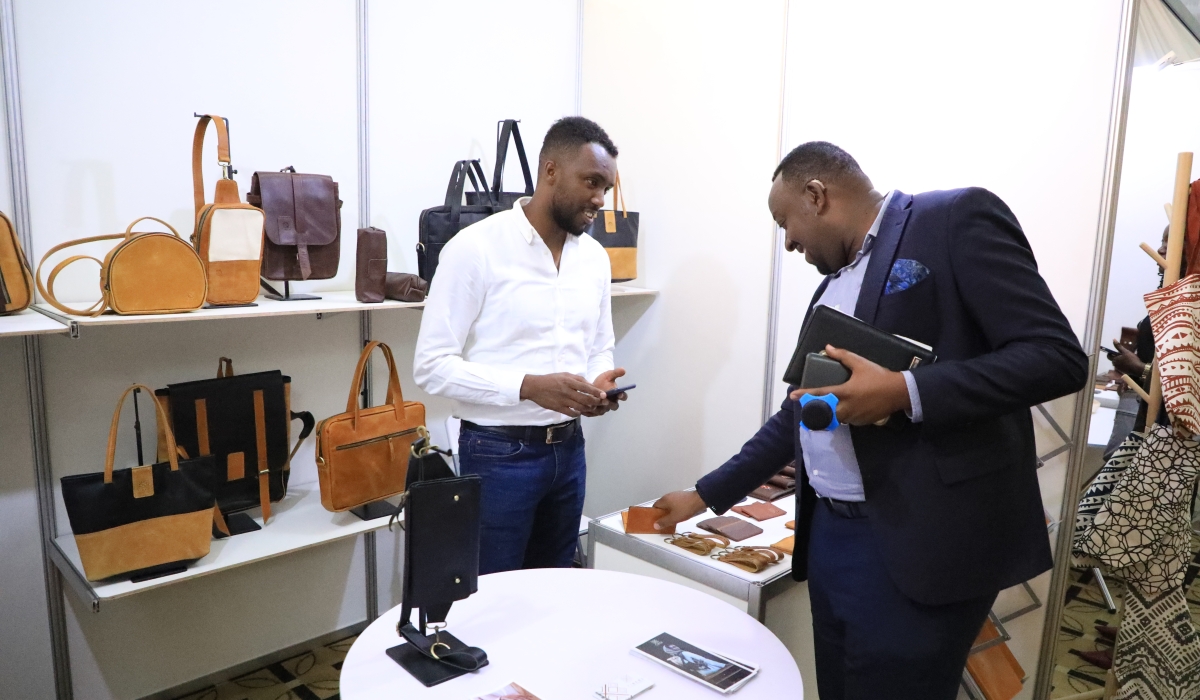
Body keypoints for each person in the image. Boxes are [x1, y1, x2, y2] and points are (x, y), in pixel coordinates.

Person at [652, 142, 1088, 700]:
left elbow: (1056, 356)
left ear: (816, 195)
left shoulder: (953, 219)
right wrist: (704, 495)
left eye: (786, 222)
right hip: (831, 539)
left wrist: (904, 391)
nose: (788, 242)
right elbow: (800, 413)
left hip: (918, 541)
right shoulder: (830, 287)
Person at [414, 116, 628, 575]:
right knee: (494, 594)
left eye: (606, 187)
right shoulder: (474, 249)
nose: (599, 199)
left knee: (553, 589)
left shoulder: (594, 258)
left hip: (569, 452)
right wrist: (527, 387)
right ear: (550, 171)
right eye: (591, 182)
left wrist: (597, 384)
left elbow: (599, 345)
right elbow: (431, 366)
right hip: (496, 455)